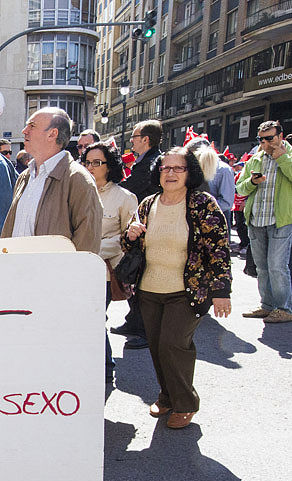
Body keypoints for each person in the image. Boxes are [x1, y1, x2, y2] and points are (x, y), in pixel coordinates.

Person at [122, 147, 231, 429]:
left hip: (187, 291)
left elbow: (218, 248)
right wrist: (130, 234)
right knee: (158, 347)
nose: (170, 173)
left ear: (189, 172)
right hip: (149, 290)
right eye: (165, 168)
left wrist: (221, 292)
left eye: (177, 168)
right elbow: (130, 245)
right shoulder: (148, 203)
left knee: (173, 345)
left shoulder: (202, 203)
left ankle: (185, 403)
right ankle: (167, 396)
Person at [1, 107, 102, 253]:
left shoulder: (77, 179)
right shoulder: (25, 177)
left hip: (52, 274)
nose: (24, 130)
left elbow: (87, 243)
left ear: (52, 134)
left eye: (32, 125)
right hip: (18, 272)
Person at [81, 141, 138, 384]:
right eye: (87, 162)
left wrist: (91, 249)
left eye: (97, 163)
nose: (91, 167)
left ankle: (105, 368)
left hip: (105, 271)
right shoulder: (78, 191)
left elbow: (128, 237)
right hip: (77, 269)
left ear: (109, 165)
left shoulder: (124, 197)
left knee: (95, 318)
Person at [113, 119, 163, 350]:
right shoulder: (144, 161)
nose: (131, 141)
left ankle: (144, 329)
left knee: (142, 279)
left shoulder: (152, 163)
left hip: (148, 228)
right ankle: (133, 322)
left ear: (145, 139)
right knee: (133, 276)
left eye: (134, 137)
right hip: (138, 227)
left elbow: (131, 188)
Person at [236, 120, 292, 323]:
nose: (265, 143)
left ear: (280, 137)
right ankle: (267, 306)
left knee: (277, 266)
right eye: (261, 139)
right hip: (256, 220)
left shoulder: (290, 155)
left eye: (269, 138)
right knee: (262, 267)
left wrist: (283, 159)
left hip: (281, 220)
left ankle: (284, 308)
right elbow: (240, 188)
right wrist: (252, 182)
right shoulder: (255, 159)